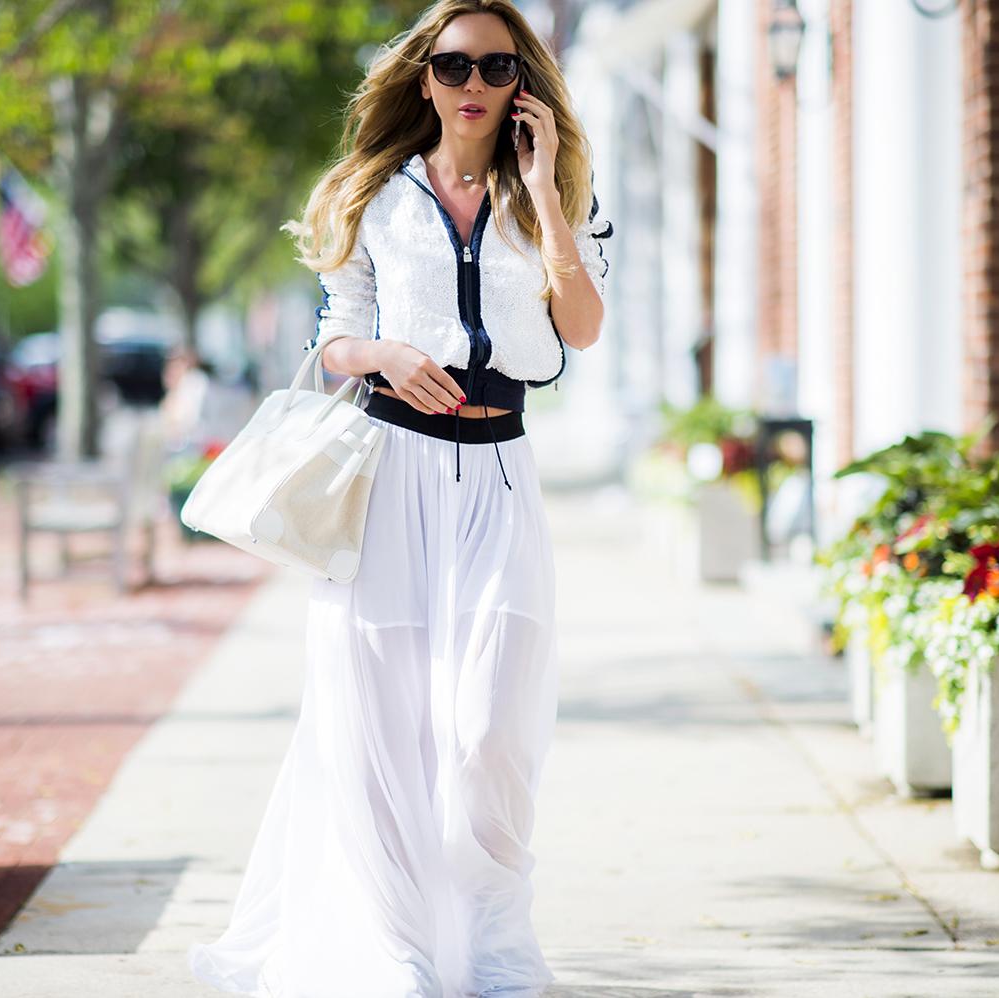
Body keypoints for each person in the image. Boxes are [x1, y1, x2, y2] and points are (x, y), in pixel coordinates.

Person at [188, 2, 613, 995]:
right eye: (454, 64)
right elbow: (334, 335)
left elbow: (582, 328)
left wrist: (547, 194)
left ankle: (498, 947)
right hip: (389, 477)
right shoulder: (370, 194)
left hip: (499, 482)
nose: (474, 84)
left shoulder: (554, 194)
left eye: (497, 67)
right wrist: (379, 352)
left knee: (487, 734)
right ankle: (402, 956)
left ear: (522, 83)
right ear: (424, 77)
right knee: (373, 727)